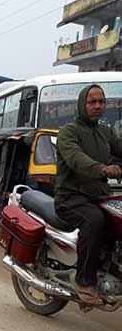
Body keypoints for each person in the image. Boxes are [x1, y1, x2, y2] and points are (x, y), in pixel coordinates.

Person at [55, 84, 122, 305]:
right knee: (95, 220)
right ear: (82, 104)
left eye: (101, 102)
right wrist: (103, 169)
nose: (97, 106)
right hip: (70, 197)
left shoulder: (105, 132)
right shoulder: (68, 132)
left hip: (98, 194)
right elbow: (76, 159)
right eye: (92, 102)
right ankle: (84, 281)